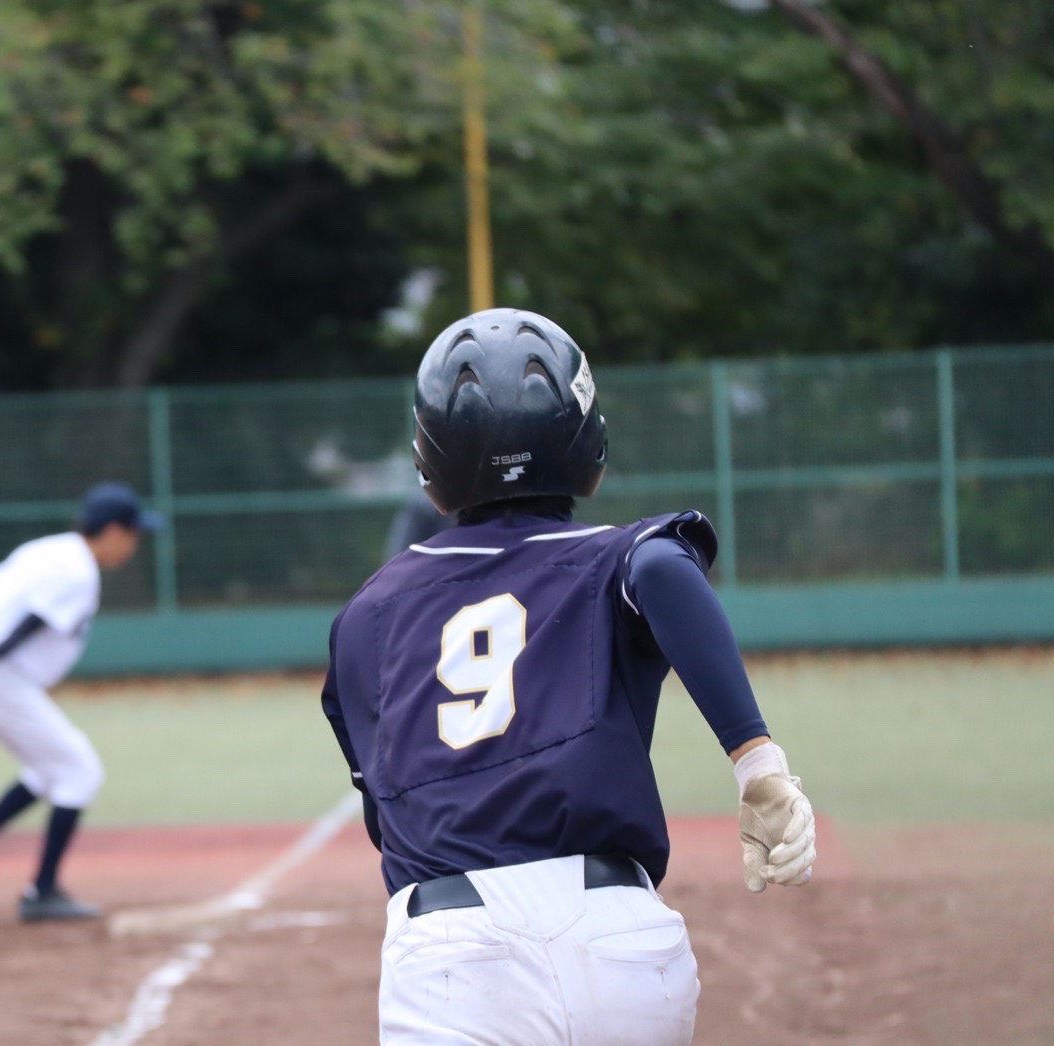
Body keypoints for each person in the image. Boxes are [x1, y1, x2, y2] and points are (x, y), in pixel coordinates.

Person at [320, 309, 816, 1043]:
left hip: (456, 952)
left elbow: (382, 814)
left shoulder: (366, 616)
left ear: (431, 458)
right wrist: (757, 763)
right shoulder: (617, 555)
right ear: (585, 437)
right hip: (616, 935)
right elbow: (665, 569)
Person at [0, 481, 162, 922]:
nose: (133, 544)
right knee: (81, 769)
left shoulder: (49, 549)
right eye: (132, 534)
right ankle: (41, 891)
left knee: (49, 771)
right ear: (110, 531)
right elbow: (28, 626)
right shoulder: (79, 573)